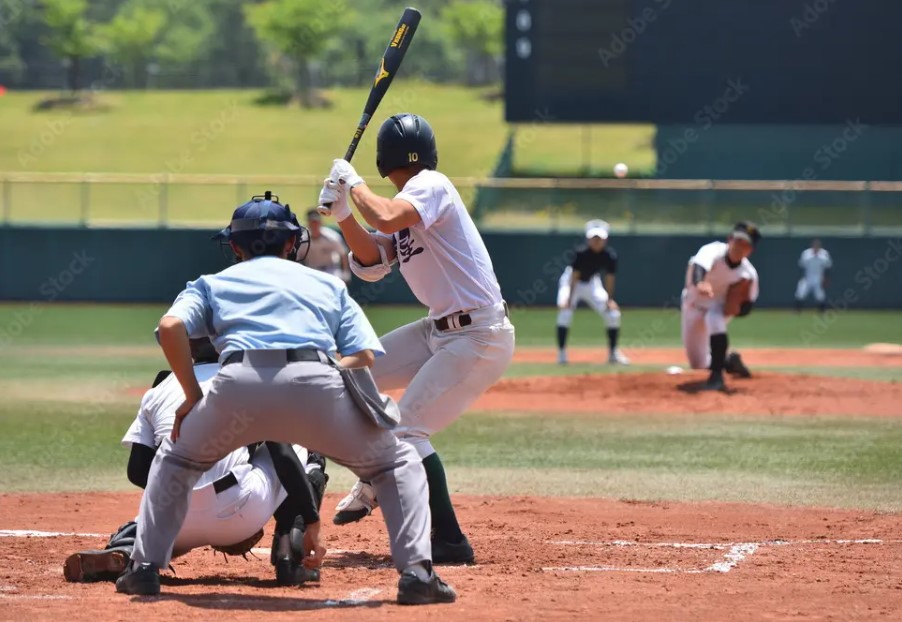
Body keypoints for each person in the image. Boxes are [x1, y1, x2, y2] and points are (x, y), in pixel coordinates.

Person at [114, 191, 455, 605]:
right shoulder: (325, 284)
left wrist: (190, 394)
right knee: (397, 463)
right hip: (315, 381)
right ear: (293, 243)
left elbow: (170, 328)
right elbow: (364, 355)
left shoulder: (212, 284)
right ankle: (417, 575)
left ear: (235, 246)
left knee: (176, 460)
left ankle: (145, 569)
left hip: (237, 383)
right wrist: (320, 385)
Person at [317, 113, 515, 565]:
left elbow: (385, 217)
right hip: (440, 329)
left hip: (477, 334)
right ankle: (372, 480)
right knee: (349, 377)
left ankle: (449, 541)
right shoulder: (412, 203)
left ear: (384, 161)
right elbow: (371, 257)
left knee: (407, 430)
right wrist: (345, 214)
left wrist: (352, 183)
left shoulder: (431, 185)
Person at [63, 338, 328, 586]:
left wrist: (188, 494)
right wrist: (312, 519)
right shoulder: (252, 380)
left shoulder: (161, 386)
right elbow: (282, 457)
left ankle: (131, 551)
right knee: (301, 439)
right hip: (240, 511)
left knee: (166, 497)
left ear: (188, 347)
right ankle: (289, 556)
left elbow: (138, 472)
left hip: (172, 520)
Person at [681, 221, 761, 391]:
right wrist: (700, 282)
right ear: (729, 239)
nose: (740, 246)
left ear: (751, 250)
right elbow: (699, 267)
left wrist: (737, 309)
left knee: (714, 318)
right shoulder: (712, 250)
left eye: (745, 244)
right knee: (698, 363)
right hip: (693, 305)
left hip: (718, 307)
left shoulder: (748, 275)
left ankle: (717, 377)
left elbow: (748, 306)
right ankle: (729, 362)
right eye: (738, 240)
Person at [555, 219, 629, 365]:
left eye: (599, 238)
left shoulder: (609, 256)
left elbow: (609, 278)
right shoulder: (581, 254)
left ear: (605, 239)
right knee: (565, 312)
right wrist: (569, 299)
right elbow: (574, 277)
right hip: (571, 283)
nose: (596, 241)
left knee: (613, 313)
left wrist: (609, 300)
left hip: (592, 283)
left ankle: (613, 354)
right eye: (593, 238)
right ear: (588, 239)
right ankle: (562, 354)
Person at [300, 208, 351, 283]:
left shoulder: (332, 236)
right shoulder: (303, 239)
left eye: (316, 222)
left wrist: (346, 273)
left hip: (331, 270)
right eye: (312, 222)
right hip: (312, 270)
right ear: (308, 224)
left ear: (321, 223)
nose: (314, 225)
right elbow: (298, 257)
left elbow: (343, 254)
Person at [795, 239, 832, 313]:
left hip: (818, 278)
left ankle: (822, 311)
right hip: (807, 277)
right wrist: (813, 257)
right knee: (800, 292)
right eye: (815, 246)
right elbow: (801, 264)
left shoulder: (824, 254)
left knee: (820, 295)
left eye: (817, 246)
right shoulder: (806, 253)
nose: (816, 247)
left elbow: (829, 265)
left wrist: (826, 278)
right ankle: (797, 310)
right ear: (812, 246)